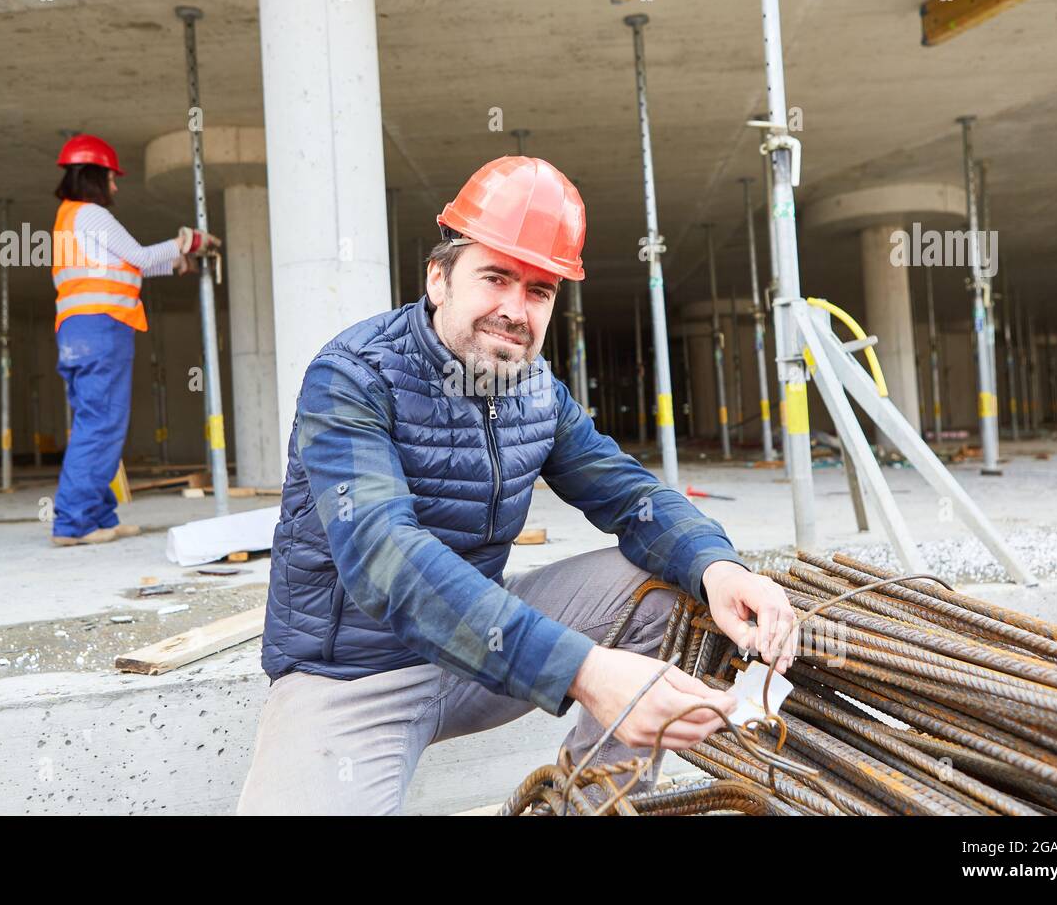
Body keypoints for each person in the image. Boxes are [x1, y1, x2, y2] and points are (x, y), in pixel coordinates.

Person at [236, 156, 798, 814]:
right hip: (353, 676)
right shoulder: (352, 379)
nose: (514, 309)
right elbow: (382, 557)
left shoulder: (536, 394)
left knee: (674, 589)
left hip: (479, 650)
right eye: (496, 277)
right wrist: (584, 672)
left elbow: (628, 495)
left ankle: (590, 803)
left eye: (538, 290)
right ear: (439, 278)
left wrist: (721, 569)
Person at [49, 133, 218, 546]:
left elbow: (124, 269)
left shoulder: (68, 220)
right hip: (102, 330)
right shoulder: (91, 214)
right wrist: (189, 241)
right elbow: (141, 257)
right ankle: (73, 524)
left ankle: (99, 516)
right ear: (94, 176)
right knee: (101, 426)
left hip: (75, 332)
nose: (116, 186)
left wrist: (176, 264)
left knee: (92, 424)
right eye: (111, 177)